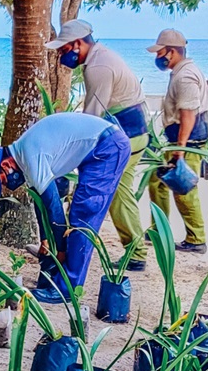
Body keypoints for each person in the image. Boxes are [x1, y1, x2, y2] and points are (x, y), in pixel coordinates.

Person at [0, 112, 132, 304]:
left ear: (6, 164)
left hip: (107, 149)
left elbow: (53, 206)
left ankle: (67, 289)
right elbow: (40, 203)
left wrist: (59, 249)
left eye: (2, 178)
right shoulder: (24, 155)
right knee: (77, 216)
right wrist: (45, 239)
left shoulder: (31, 156)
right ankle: (62, 276)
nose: (7, 184)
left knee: (83, 218)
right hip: (97, 148)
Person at [45, 19, 149, 271]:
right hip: (132, 131)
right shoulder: (99, 58)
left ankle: (136, 252)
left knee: (116, 193)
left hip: (128, 134)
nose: (61, 55)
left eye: (63, 49)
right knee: (118, 193)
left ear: (78, 44)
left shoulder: (98, 66)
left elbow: (92, 119)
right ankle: (136, 250)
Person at [147, 29, 208, 254]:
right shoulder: (180, 72)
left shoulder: (185, 77)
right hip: (177, 138)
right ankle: (159, 227)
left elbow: (188, 114)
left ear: (172, 52)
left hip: (187, 139)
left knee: (184, 187)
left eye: (160, 53)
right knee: (157, 182)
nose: (158, 58)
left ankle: (197, 238)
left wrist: (181, 149)